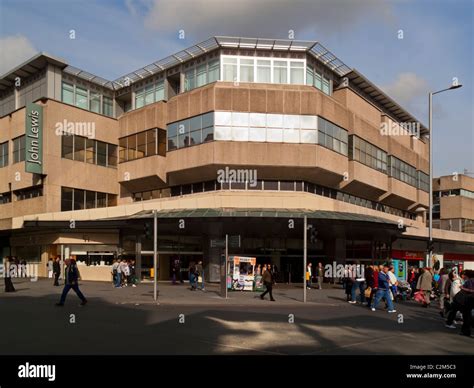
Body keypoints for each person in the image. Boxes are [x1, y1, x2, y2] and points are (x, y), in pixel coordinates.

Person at [445, 270, 474, 336]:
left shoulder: (470, 281)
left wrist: (463, 288)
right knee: (467, 315)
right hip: (469, 300)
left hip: (468, 300)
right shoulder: (467, 280)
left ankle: (465, 331)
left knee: (466, 315)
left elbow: (471, 290)